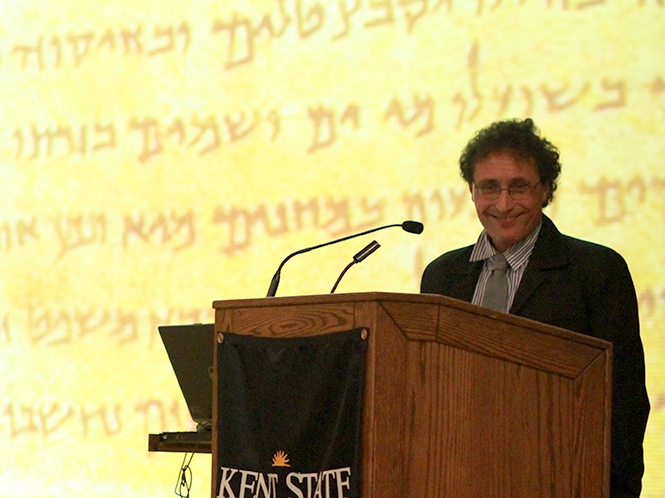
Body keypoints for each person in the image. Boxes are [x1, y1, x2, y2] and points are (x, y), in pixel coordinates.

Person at [421, 118, 649, 497]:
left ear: (545, 190)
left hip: (559, 480)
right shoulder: (442, 276)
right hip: (458, 479)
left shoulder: (595, 271)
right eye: (489, 188)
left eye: (519, 187)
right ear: (472, 192)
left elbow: (624, 399)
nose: (503, 204)